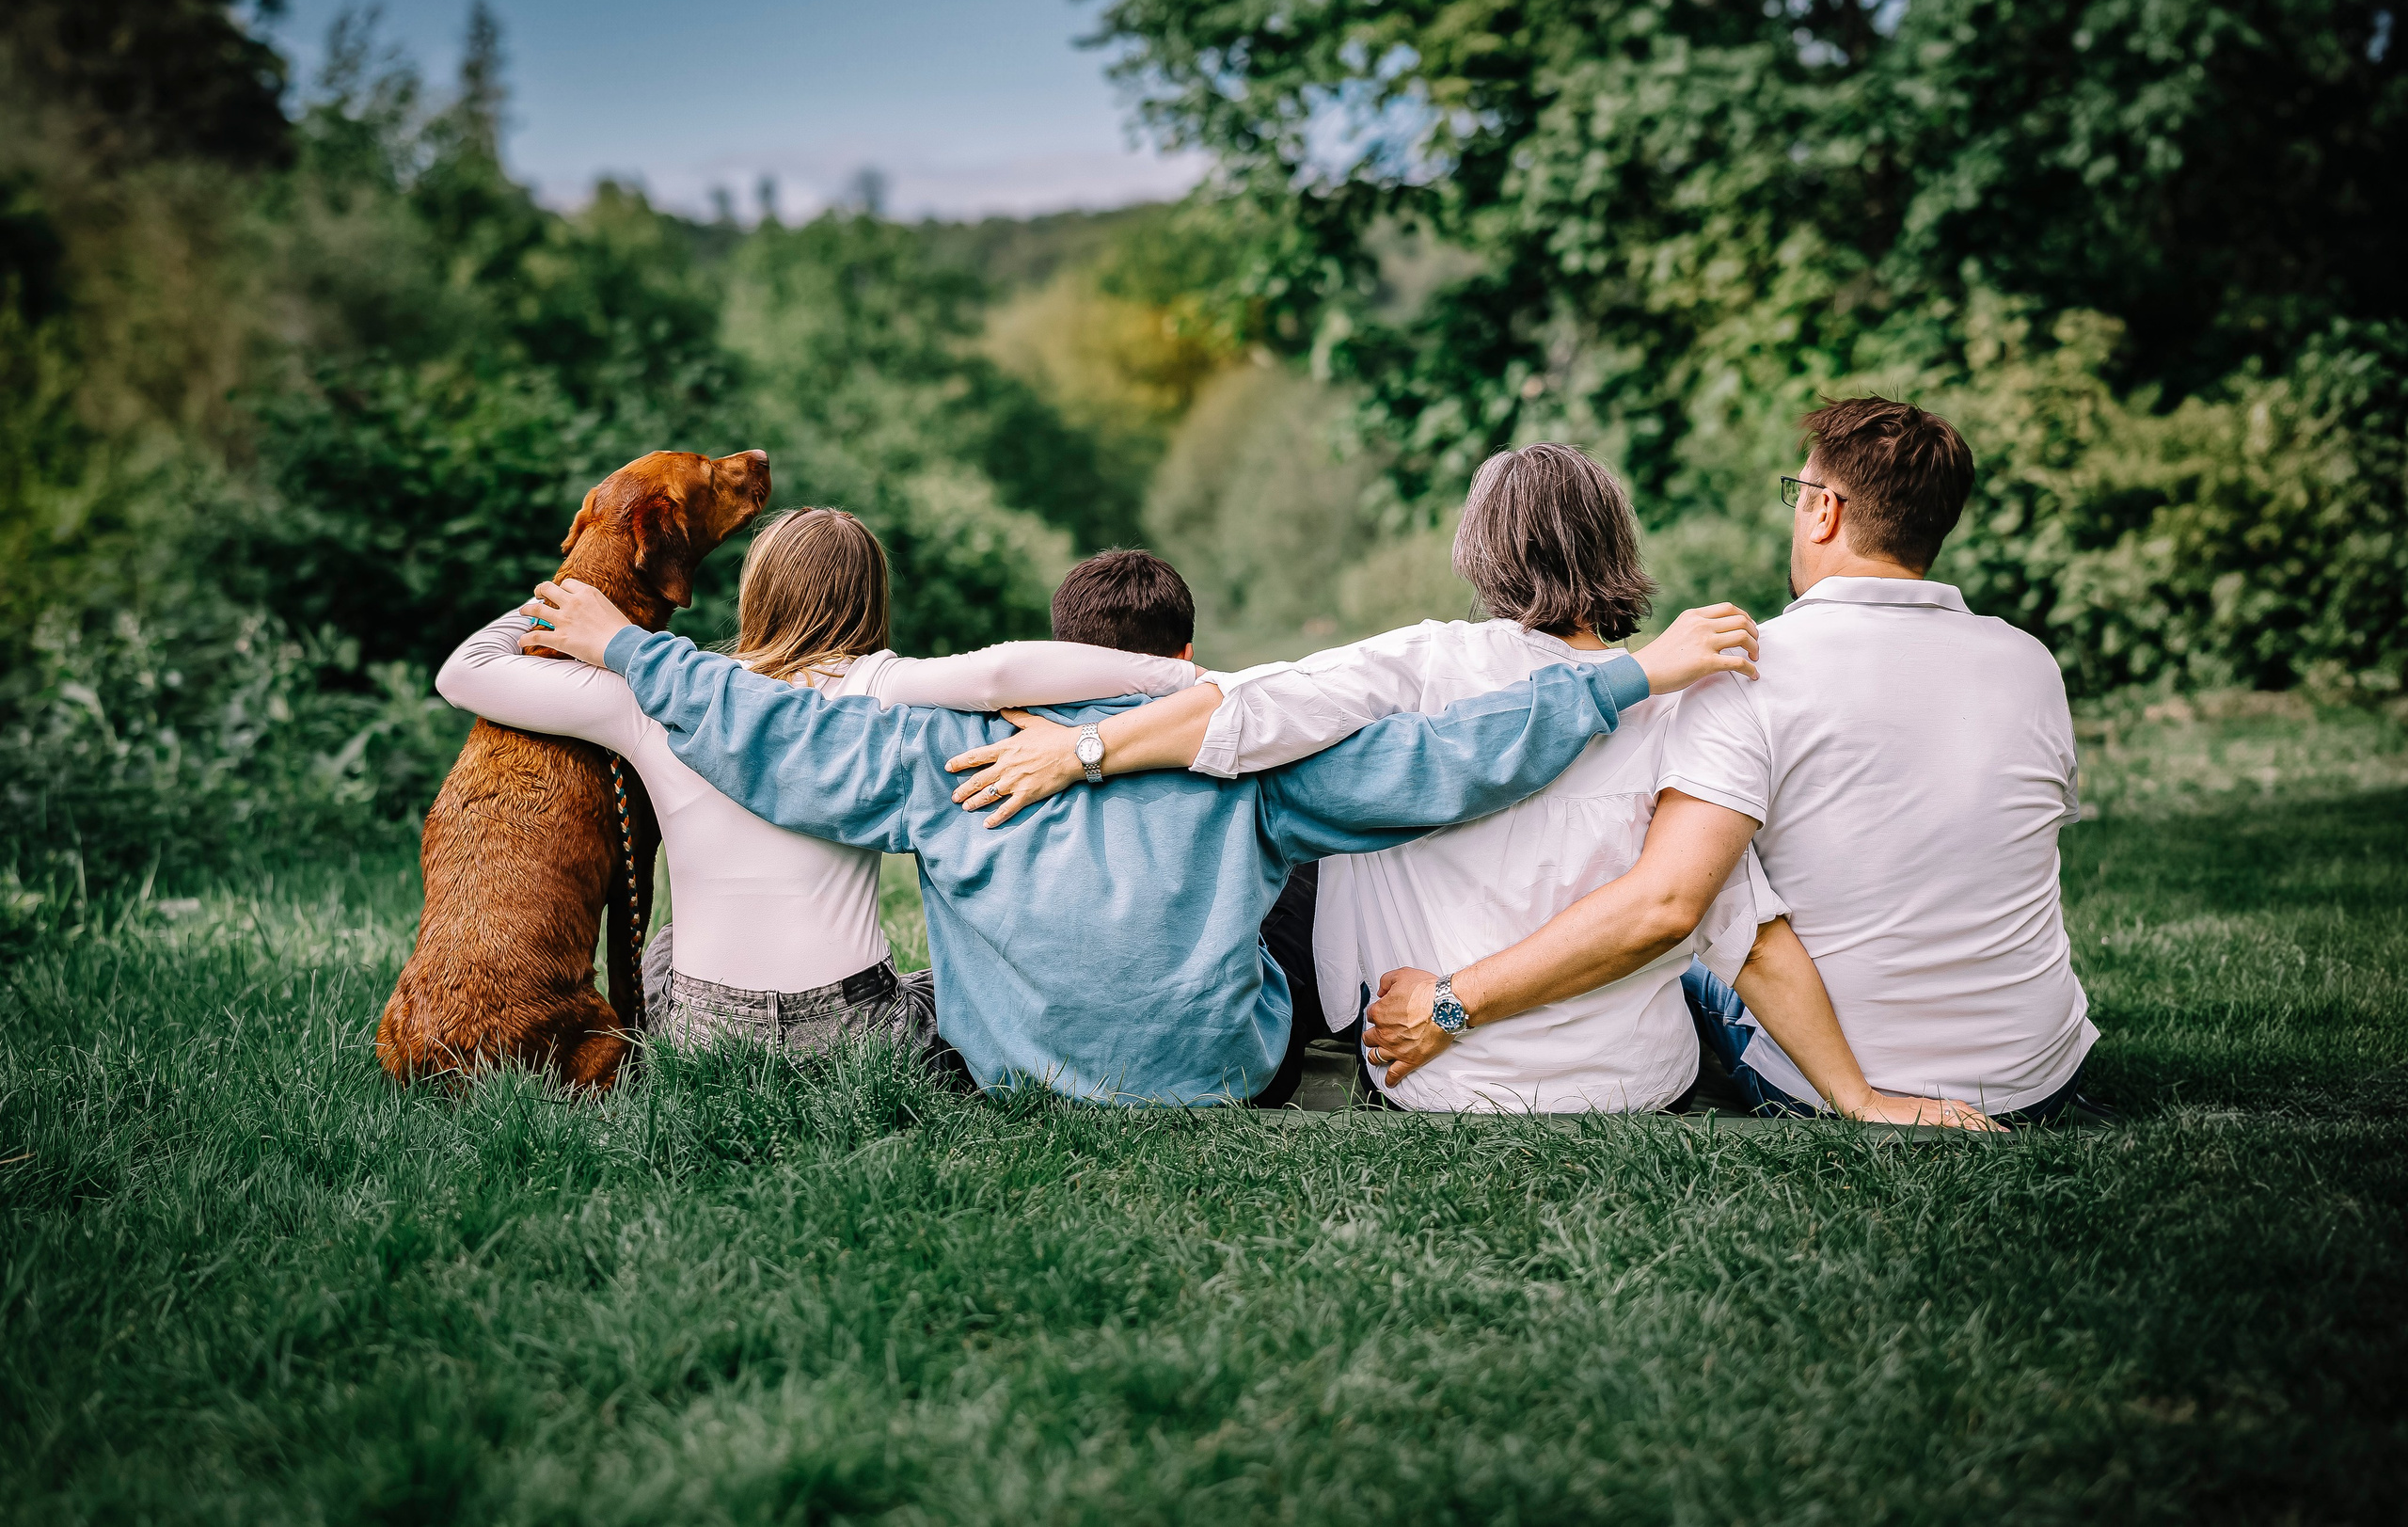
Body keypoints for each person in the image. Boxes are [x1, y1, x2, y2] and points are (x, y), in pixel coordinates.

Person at [946, 446, 1986, 1125]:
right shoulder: (1681, 701)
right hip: (1638, 1082)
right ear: (1616, 548)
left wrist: (1080, 750)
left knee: (1285, 827)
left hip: (1432, 1070)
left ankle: (1165, 1027)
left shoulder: (1421, 663)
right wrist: (1858, 1098)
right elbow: (1739, 924)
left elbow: (1241, 711)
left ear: (1478, 550)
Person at [515, 548, 1761, 1105]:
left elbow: (773, 735)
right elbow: (1445, 762)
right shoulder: (1248, 757)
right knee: (1309, 856)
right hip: (1223, 1076)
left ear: (1052, 650)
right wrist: (1628, 676)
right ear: (1186, 659)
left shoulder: (950, 750)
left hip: (1016, 1078)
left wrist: (627, 647)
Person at [1362, 397, 2101, 1125]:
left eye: (1798, 491)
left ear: (1825, 511)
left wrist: (1450, 1000)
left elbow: (1667, 908)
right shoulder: (2031, 665)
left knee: (1683, 953)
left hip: (1831, 1081)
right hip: (2036, 1075)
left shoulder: (1750, 667)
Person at [436, 507, 1197, 1063]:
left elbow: (463, 671)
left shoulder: (662, 691)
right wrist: (1183, 676)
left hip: (703, 1029)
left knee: (667, 950)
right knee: (956, 984)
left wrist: (582, 592)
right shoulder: (886, 685)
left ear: (753, 592)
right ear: (872, 599)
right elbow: (1002, 670)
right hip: (853, 1031)